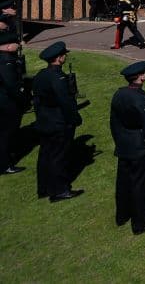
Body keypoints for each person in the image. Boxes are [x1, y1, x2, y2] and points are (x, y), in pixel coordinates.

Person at [109, 61, 145, 234]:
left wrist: (119, 141)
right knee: (140, 186)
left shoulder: (119, 94)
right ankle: (141, 223)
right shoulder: (142, 99)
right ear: (142, 76)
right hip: (139, 147)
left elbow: (114, 123)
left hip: (124, 145)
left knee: (123, 182)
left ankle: (122, 215)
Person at [32, 41, 84, 201]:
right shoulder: (58, 77)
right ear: (59, 58)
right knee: (58, 157)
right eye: (64, 55)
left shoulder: (41, 75)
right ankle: (60, 190)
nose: (65, 56)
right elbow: (66, 102)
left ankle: (44, 188)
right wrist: (75, 118)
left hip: (44, 120)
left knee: (46, 155)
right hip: (58, 121)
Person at [0, 31, 27, 175]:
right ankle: (5, 164)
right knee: (7, 134)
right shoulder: (7, 61)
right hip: (7, 103)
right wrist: (22, 98)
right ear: (8, 46)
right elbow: (12, 85)